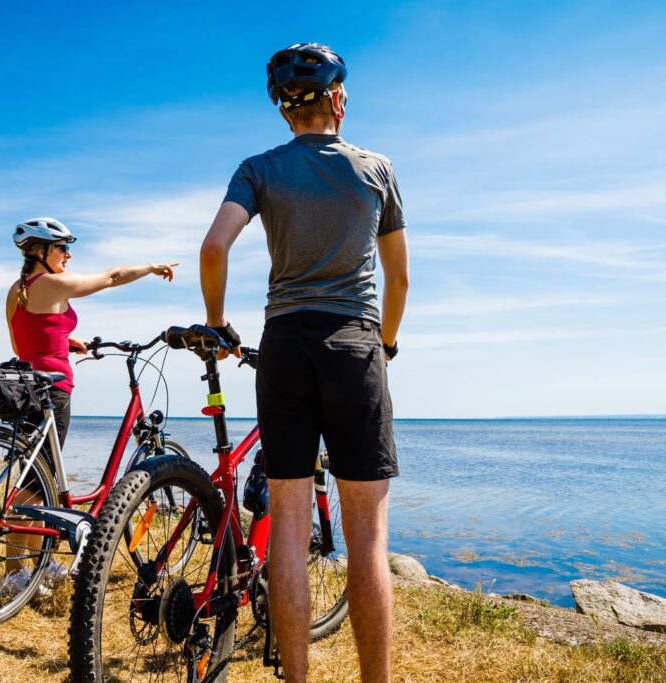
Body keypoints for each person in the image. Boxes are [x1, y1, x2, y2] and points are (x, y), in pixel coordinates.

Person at [200, 44, 409, 682]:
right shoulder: (375, 169)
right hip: (354, 342)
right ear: (338, 100)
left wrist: (217, 324)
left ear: (286, 111)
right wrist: (387, 342)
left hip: (284, 347)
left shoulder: (259, 169)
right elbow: (398, 280)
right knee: (367, 538)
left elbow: (213, 248)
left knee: (287, 526)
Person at [1, 216, 177, 595]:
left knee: (39, 478)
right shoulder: (54, 284)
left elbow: (23, 346)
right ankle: (15, 575)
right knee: (34, 486)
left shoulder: (19, 290)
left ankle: (39, 563)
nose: (69, 253)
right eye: (62, 247)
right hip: (53, 391)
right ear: (41, 252)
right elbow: (112, 276)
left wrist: (65, 340)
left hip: (26, 386)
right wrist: (150, 267)